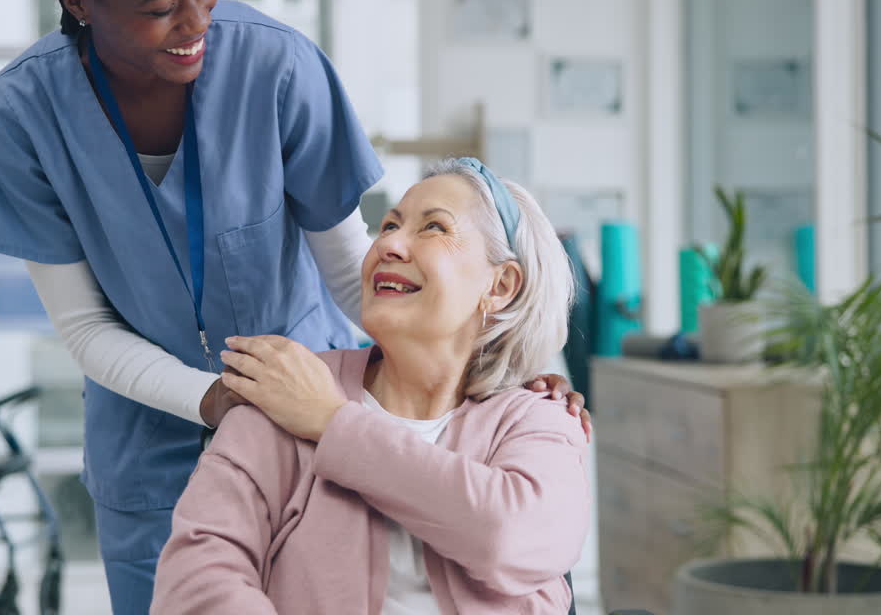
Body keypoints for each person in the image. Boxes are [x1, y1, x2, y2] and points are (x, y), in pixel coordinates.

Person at [0, 0, 591, 610]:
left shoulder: (275, 68)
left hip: (308, 393)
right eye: (160, 6)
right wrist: (223, 400)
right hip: (165, 428)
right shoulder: (23, 116)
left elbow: (362, 276)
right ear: (77, 0)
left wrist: (514, 365)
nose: (197, 22)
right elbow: (84, 327)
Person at [153, 159, 591, 614]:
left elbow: (510, 537)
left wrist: (332, 424)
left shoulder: (539, 416)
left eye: (434, 227)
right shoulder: (283, 392)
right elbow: (197, 579)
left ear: (500, 285)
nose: (390, 245)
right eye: (388, 225)